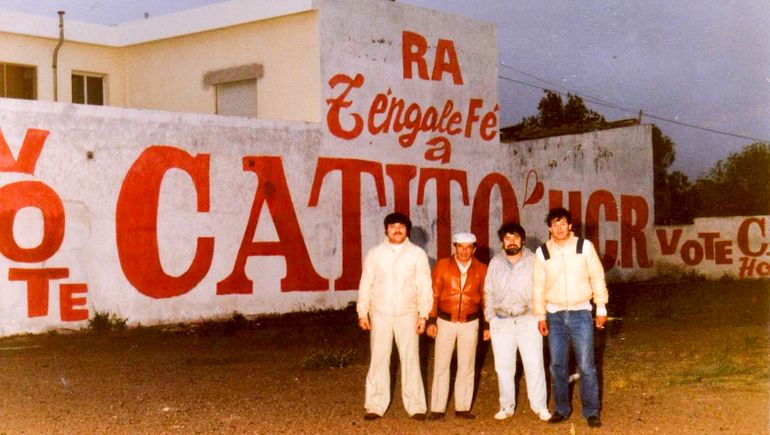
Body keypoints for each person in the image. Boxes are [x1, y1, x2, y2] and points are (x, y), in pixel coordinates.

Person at [533, 207, 608, 428]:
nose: (559, 228)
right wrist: (540, 315)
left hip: (581, 313)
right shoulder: (542, 252)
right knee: (557, 365)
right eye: (555, 224)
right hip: (554, 315)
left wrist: (601, 308)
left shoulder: (584, 247)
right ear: (549, 228)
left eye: (563, 223)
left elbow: (597, 276)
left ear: (570, 226)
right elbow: (537, 286)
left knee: (586, 365)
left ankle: (591, 411)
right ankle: (562, 409)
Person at [356, 212, 433, 421]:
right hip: (380, 313)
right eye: (392, 226)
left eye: (401, 226)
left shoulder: (417, 254)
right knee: (379, 359)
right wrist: (362, 311)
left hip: (408, 313)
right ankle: (375, 404)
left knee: (411, 359)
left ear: (407, 230)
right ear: (386, 229)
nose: (397, 230)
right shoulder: (374, 253)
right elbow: (366, 283)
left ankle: (416, 405)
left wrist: (423, 315)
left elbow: (425, 286)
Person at [484, 222, 551, 422]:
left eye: (515, 238)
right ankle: (506, 406)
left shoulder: (534, 260)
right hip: (502, 322)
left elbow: (542, 288)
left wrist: (541, 317)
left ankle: (539, 406)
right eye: (507, 238)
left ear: (522, 240)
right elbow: (488, 292)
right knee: (503, 367)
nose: (511, 241)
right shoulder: (495, 262)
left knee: (534, 364)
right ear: (502, 242)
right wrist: (490, 319)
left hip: (528, 320)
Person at [425, 232, 488, 421]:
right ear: (455, 247)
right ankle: (437, 408)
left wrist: (486, 325)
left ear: (474, 249)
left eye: (468, 247)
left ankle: (463, 407)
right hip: (445, 321)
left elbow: (486, 299)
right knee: (441, 365)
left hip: (470, 323)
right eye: (460, 246)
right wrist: (431, 320)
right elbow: (433, 294)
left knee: (467, 366)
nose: (464, 251)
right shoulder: (442, 265)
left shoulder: (482, 269)